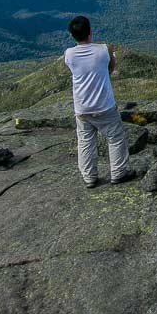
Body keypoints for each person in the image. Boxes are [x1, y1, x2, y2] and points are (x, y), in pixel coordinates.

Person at [63, 15, 134, 188]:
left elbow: (73, 70)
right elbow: (111, 67)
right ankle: (118, 173)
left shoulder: (69, 54)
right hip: (105, 106)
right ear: (90, 32)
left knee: (85, 141)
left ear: (73, 35)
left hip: (82, 108)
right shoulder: (104, 49)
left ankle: (89, 178)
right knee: (115, 138)